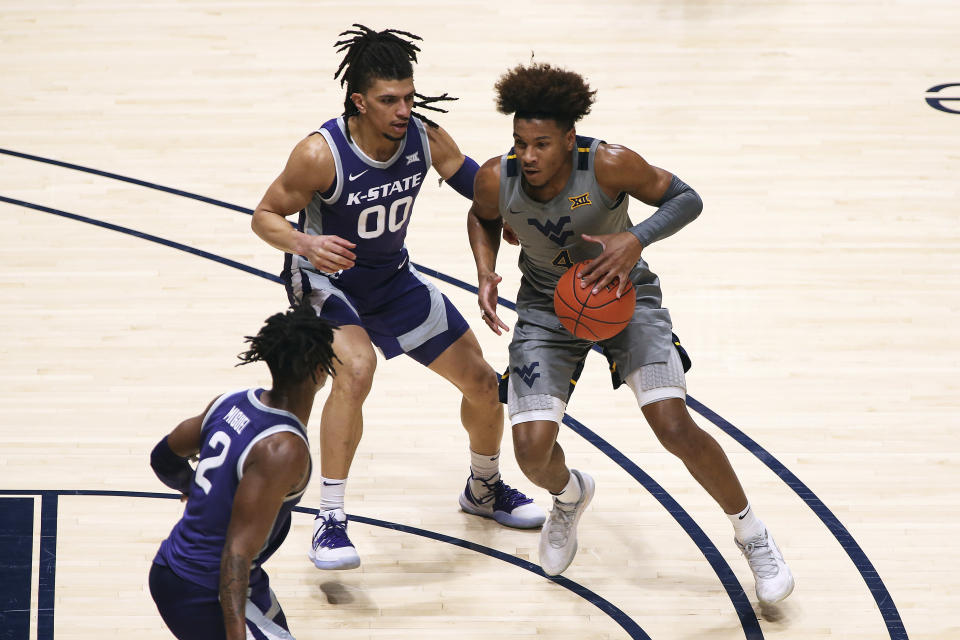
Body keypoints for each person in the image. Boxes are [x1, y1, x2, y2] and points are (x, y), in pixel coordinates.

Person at [467, 62, 794, 604]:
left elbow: (687, 197)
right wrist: (484, 268)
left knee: (672, 424)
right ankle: (569, 497)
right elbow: (481, 217)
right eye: (520, 142)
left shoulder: (610, 164)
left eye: (541, 144)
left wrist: (636, 238)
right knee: (529, 450)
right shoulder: (494, 177)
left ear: (570, 140)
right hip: (547, 307)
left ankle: (752, 532)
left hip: (625, 296)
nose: (528, 156)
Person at [250, 25, 544, 571]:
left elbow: (476, 184)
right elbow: (264, 217)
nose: (404, 109)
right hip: (324, 284)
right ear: (359, 101)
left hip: (391, 282)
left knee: (482, 382)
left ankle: (483, 489)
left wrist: (512, 216)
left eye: (409, 97)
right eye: (389, 101)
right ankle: (331, 520)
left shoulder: (425, 138)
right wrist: (305, 241)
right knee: (356, 369)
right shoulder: (320, 153)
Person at [148, 301, 338, 640]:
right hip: (205, 588)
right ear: (319, 371)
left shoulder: (231, 402)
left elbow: (163, 457)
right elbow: (236, 553)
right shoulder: (284, 449)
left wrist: (192, 486)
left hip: (182, 568)